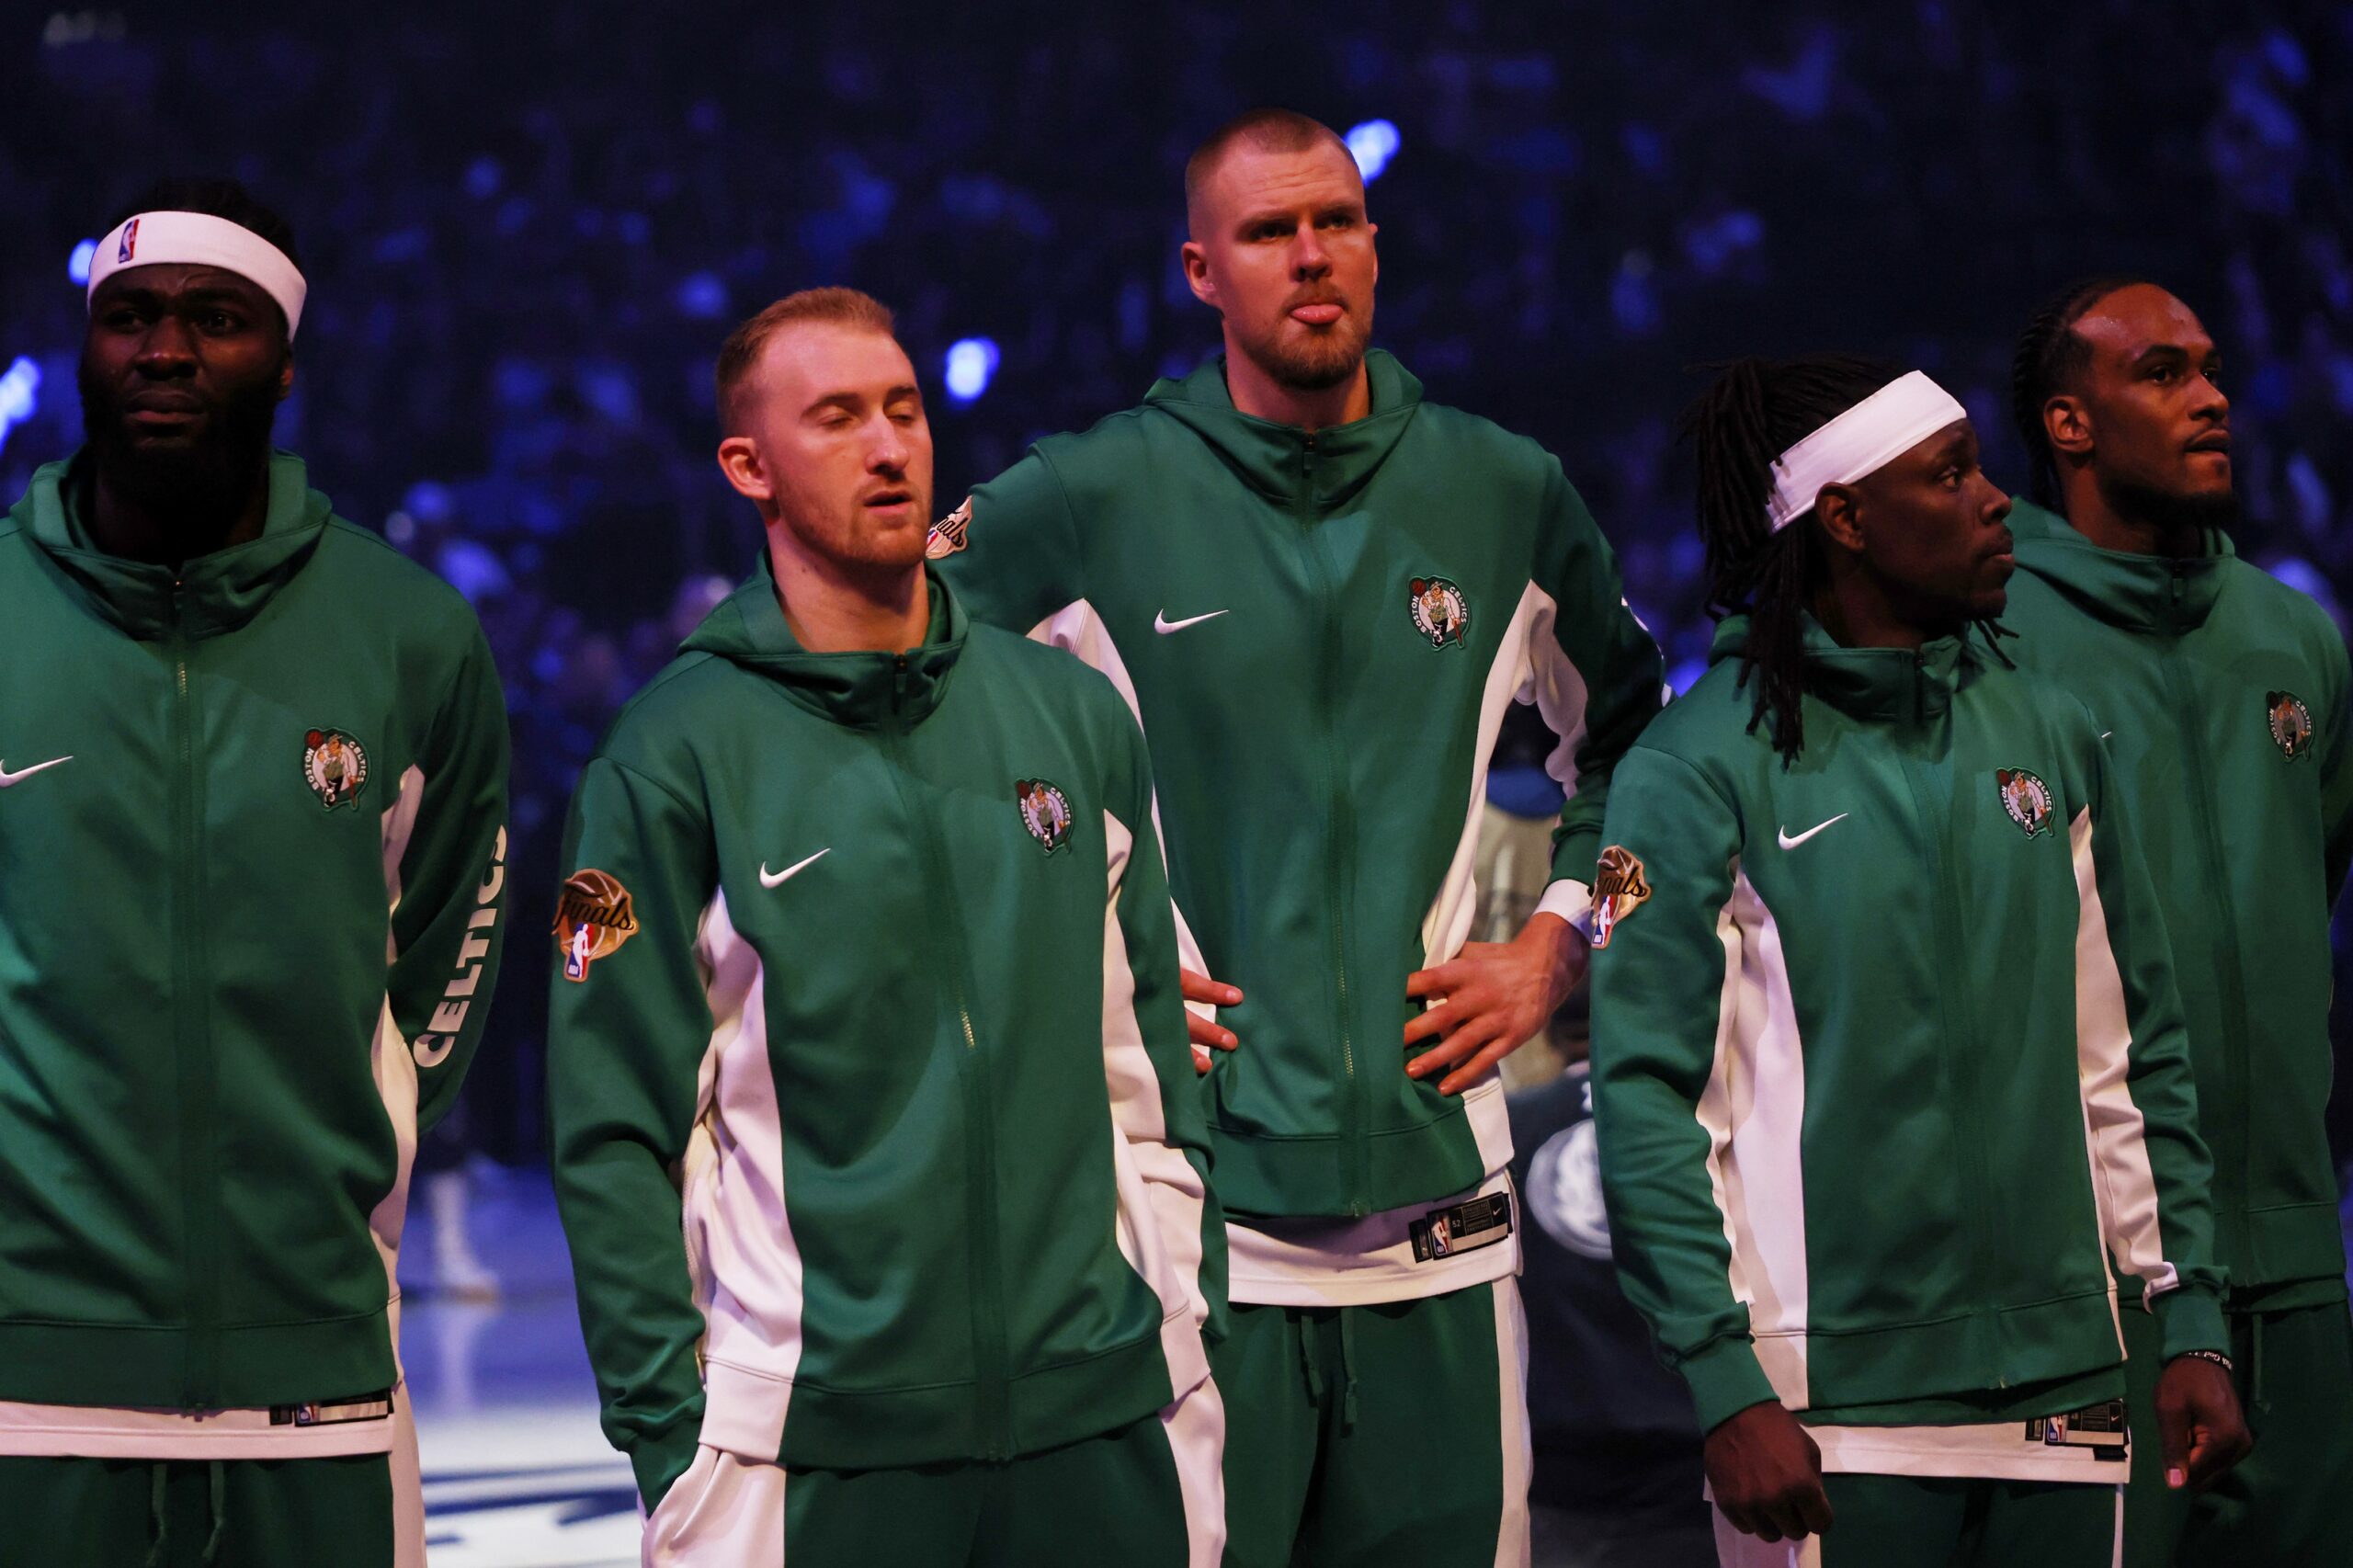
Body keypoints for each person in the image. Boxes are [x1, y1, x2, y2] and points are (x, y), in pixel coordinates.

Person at [933, 107, 1665, 1566]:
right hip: (1199, 1230)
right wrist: (1070, 974)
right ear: (1202, 272)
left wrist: (1560, 942)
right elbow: (885, 712)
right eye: (1269, 232)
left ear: (1377, 248)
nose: (1311, 256)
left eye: (1337, 221)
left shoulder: (1500, 490)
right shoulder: (1089, 497)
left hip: (1448, 1223)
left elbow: (1649, 750)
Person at [547, 288, 1223, 1566]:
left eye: (904, 410)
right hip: (816, 1453)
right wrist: (670, 1439)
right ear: (748, 466)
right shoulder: (671, 752)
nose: (890, 445)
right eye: (839, 417)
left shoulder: (1070, 715)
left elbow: (1151, 1063)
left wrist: (1186, 1323)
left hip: (1101, 1422)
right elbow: (611, 1132)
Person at [1587, 355, 2250, 1565]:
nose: (1997, 498)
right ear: (1844, 516)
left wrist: (2190, 1305)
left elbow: (2129, 1052)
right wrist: (1726, 1380)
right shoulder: (1691, 768)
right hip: (1826, 1418)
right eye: (1950, 476)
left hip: (2069, 1392)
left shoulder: (2048, 731)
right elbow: (1642, 1101)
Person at [0, 179, 512, 1566]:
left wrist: (350, 1160)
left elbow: (454, 944)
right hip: (23, 1394)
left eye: (215, 319)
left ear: (284, 359)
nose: (164, 350)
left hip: (318, 1385)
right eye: (131, 317)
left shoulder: (409, 634)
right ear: (86, 343)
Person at [2005, 277, 2353, 1566]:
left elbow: (2303, 889)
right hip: (2100, 1274)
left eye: (2209, 367)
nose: (2211, 397)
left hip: (2300, 1262)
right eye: (2161, 372)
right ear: (2070, 424)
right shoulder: (1994, 638)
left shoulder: (2293, 635)